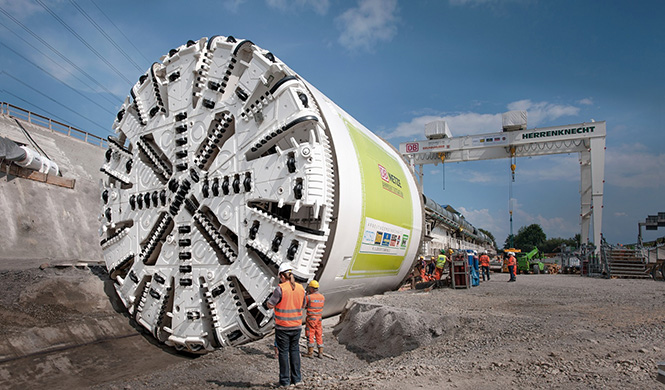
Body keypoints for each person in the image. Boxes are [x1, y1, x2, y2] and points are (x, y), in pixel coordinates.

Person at [267, 263, 306, 387]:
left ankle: (284, 381)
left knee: (283, 353)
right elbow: (304, 304)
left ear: (282, 276)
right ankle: (297, 380)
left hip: (283, 326)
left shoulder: (280, 289)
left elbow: (270, 304)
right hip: (297, 326)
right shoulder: (301, 288)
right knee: (294, 351)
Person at [303, 280, 325, 358]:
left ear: (312, 288)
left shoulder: (309, 297)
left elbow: (303, 306)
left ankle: (310, 353)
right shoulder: (322, 297)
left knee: (310, 334)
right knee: (319, 334)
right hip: (319, 318)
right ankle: (320, 352)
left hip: (311, 319)